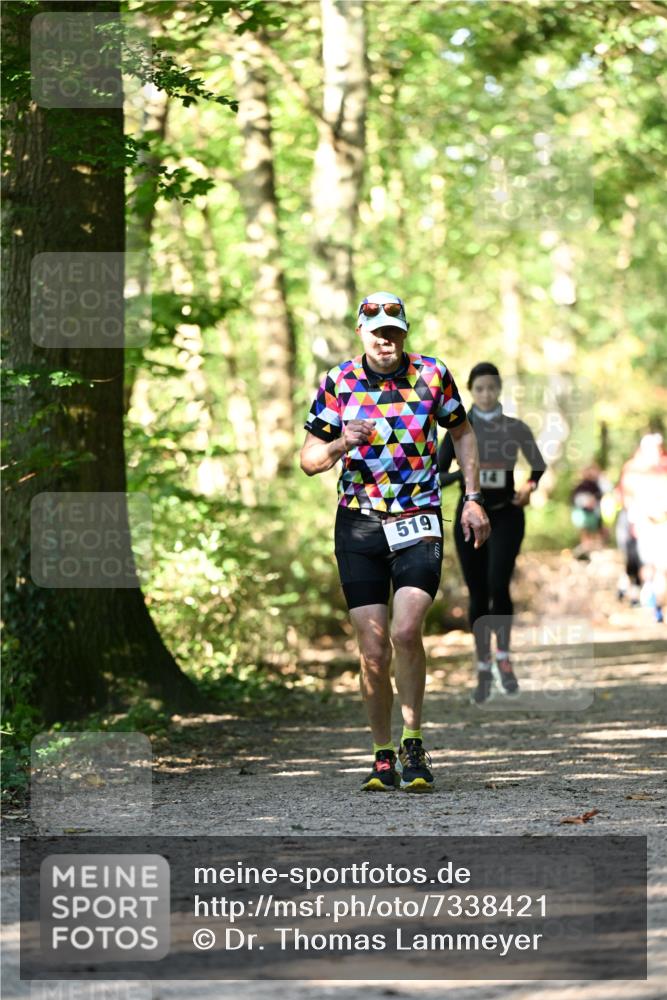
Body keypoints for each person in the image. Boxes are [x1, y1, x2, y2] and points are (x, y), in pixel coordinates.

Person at [300, 291, 489, 793]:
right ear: (361, 332)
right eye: (377, 330)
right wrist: (343, 442)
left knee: (406, 631)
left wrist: (473, 497)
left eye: (394, 331)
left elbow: (463, 433)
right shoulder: (339, 382)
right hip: (358, 524)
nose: (386, 339)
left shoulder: (432, 374)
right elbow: (308, 459)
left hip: (419, 516)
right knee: (373, 649)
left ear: (405, 332)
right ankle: (382, 754)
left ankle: (414, 740)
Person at [437, 362, 545, 705]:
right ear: (471, 391)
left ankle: (505, 658)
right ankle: (483, 664)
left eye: (491, 388)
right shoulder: (457, 429)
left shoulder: (514, 428)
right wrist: (469, 475)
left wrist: (529, 487)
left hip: (507, 517)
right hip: (470, 519)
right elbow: (437, 474)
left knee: (499, 584)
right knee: (479, 592)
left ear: (499, 390)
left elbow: (537, 465)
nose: (486, 394)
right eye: (479, 389)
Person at [618, 433, 667, 624]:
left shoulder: (664, 466)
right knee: (647, 565)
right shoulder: (633, 469)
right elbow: (627, 497)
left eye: (658, 447)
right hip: (644, 524)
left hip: (663, 523)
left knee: (662, 568)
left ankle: (658, 608)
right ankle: (649, 598)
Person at [570, 463, 605, 560]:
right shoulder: (580, 487)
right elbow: (575, 499)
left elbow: (601, 495)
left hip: (594, 514)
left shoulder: (597, 485)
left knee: (595, 533)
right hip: (583, 514)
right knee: (585, 533)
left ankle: (595, 552)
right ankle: (586, 552)